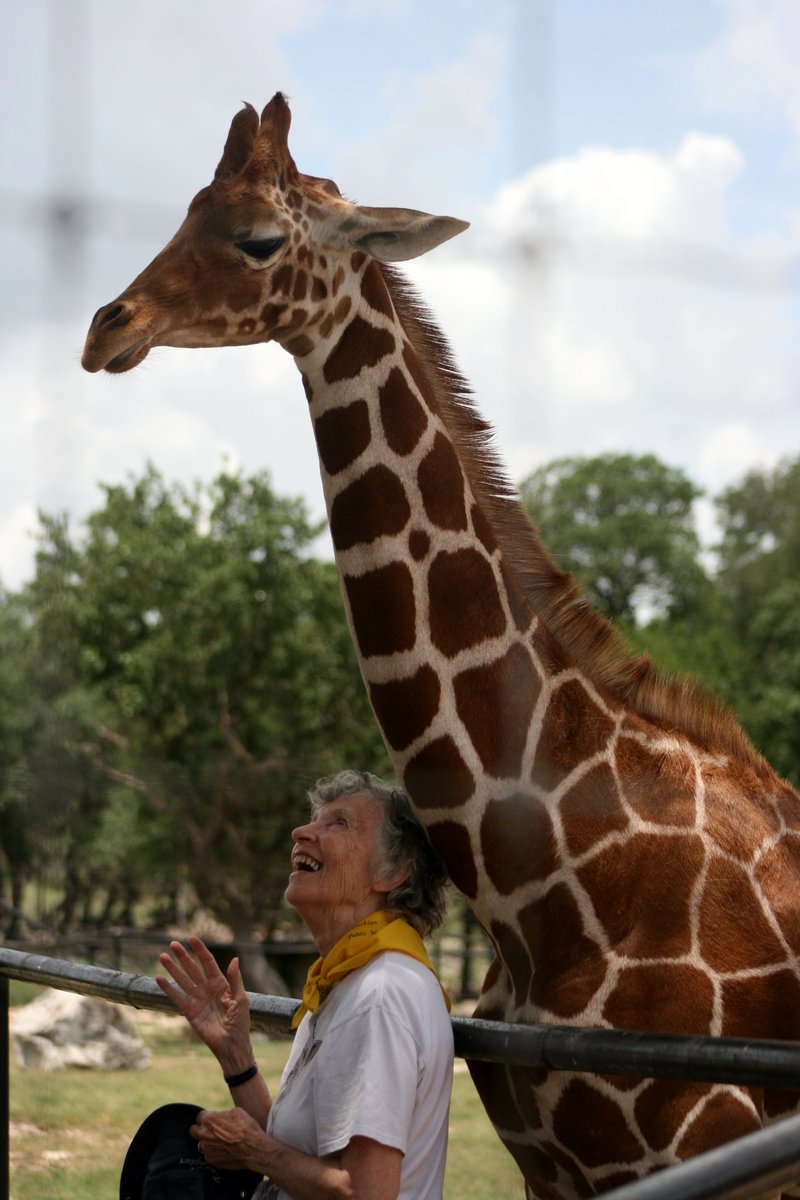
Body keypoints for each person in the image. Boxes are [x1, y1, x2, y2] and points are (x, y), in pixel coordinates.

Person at [156, 770, 454, 1200]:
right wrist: (235, 1055)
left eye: (338, 823)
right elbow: (303, 1151)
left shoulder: (380, 995)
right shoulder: (347, 979)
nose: (300, 832)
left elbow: (365, 1193)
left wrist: (254, 1151)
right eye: (315, 820)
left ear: (392, 874)